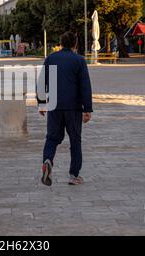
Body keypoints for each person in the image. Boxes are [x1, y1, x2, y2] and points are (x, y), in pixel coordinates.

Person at [38, 31, 93, 186]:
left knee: (52, 138)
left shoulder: (51, 58)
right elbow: (85, 86)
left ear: (60, 43)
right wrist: (87, 108)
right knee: (75, 140)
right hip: (73, 107)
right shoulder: (79, 60)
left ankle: (47, 160)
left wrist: (42, 103)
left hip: (54, 105)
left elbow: (42, 82)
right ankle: (73, 175)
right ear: (75, 43)